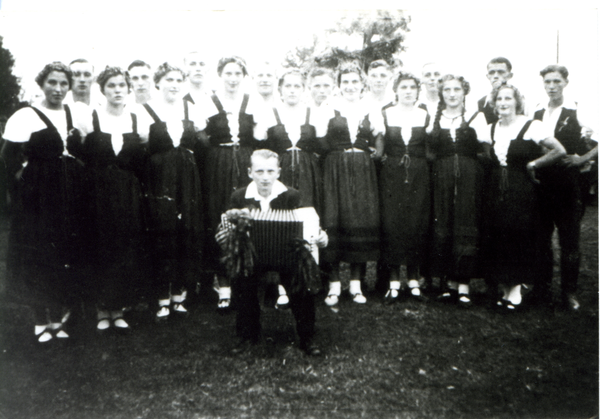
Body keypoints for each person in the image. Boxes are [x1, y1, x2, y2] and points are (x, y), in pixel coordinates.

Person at [1, 62, 89, 343]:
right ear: (42, 84)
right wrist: (24, 187)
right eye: (53, 82)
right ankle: (40, 320)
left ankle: (59, 316)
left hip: (69, 192)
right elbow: (7, 159)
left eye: (64, 83)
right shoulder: (26, 115)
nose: (59, 89)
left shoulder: (75, 113)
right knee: (37, 254)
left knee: (63, 252)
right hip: (38, 197)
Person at [218, 149, 327, 356]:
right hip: (253, 256)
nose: (265, 177)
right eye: (259, 171)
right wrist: (224, 235)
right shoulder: (240, 196)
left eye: (270, 171)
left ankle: (307, 336)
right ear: (250, 172)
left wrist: (322, 236)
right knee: (243, 281)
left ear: (278, 172)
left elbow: (309, 224)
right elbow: (227, 227)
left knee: (301, 281)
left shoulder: (291, 195)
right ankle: (247, 336)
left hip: (286, 254)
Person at [69, 66, 147, 333]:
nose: (117, 90)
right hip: (96, 193)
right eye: (111, 86)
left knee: (125, 247)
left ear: (128, 89)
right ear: (101, 90)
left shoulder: (137, 119)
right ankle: (102, 309)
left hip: (127, 192)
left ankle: (120, 308)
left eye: (121, 86)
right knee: (100, 246)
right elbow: (76, 152)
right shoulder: (88, 118)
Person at [479, 84, 565, 310]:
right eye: (499, 99)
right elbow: (487, 156)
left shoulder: (532, 126)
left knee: (519, 235)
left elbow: (559, 150)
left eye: (508, 98)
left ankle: (516, 290)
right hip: (496, 188)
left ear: (517, 102)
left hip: (522, 190)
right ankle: (505, 289)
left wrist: (534, 163)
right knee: (499, 235)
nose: (503, 103)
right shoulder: (490, 129)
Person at [137, 62, 204, 321]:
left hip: (188, 178)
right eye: (168, 80)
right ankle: (161, 297)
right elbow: (141, 146)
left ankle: (180, 295)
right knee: (162, 232)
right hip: (159, 179)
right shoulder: (144, 111)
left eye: (178, 80)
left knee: (186, 230)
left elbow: (199, 144)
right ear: (158, 83)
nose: (174, 85)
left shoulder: (192, 110)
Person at [532, 65, 598, 310]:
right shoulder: (537, 110)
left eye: (556, 81)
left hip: (568, 184)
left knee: (570, 240)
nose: (551, 86)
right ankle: (542, 289)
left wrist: (581, 158)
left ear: (565, 83)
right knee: (541, 239)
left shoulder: (576, 109)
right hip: (541, 183)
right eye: (547, 82)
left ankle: (569, 293)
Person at [203, 56, 265, 310]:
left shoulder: (253, 101)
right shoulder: (208, 100)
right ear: (220, 75)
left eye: (238, 73)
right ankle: (224, 286)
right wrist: (220, 155)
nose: (232, 78)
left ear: (244, 76)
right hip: (218, 164)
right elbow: (201, 135)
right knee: (221, 216)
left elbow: (262, 134)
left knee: (249, 215)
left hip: (245, 162)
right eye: (228, 73)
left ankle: (248, 281)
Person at [264, 69, 326, 307]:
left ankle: (307, 279)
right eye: (287, 86)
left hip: (308, 173)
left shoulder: (314, 114)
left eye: (297, 86)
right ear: (280, 89)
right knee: (280, 222)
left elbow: (321, 145)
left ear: (303, 90)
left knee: (305, 221)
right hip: (279, 173)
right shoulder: (270, 114)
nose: (292, 90)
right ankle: (280, 285)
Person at [320, 63, 380, 307]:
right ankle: (334, 284)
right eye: (345, 81)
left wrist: (373, 154)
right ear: (339, 84)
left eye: (355, 81)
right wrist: (335, 159)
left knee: (360, 220)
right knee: (333, 218)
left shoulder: (371, 107)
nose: (350, 86)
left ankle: (356, 284)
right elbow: (320, 139)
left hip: (363, 169)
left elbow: (379, 136)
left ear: (362, 84)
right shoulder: (328, 107)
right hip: (335, 168)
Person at [428, 75, 487, 306]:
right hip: (441, 176)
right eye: (447, 90)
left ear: (464, 93)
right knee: (443, 223)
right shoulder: (434, 119)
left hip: (469, 176)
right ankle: (447, 284)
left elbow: (485, 151)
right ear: (441, 93)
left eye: (456, 89)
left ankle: (463, 285)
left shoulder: (476, 117)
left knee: (465, 223)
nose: (452, 94)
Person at [373, 72, 431, 304]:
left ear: (418, 90)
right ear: (395, 90)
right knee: (393, 222)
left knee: (417, 221)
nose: (408, 91)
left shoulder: (425, 115)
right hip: (393, 174)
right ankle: (394, 282)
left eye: (412, 87)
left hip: (419, 174)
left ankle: (414, 281)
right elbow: (379, 147)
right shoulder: (385, 113)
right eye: (403, 87)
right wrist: (381, 156)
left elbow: (429, 149)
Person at [470, 57, 514, 125]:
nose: (496, 76)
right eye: (492, 72)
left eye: (501, 72)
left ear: (510, 76)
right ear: (488, 76)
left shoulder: (519, 100)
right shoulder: (482, 102)